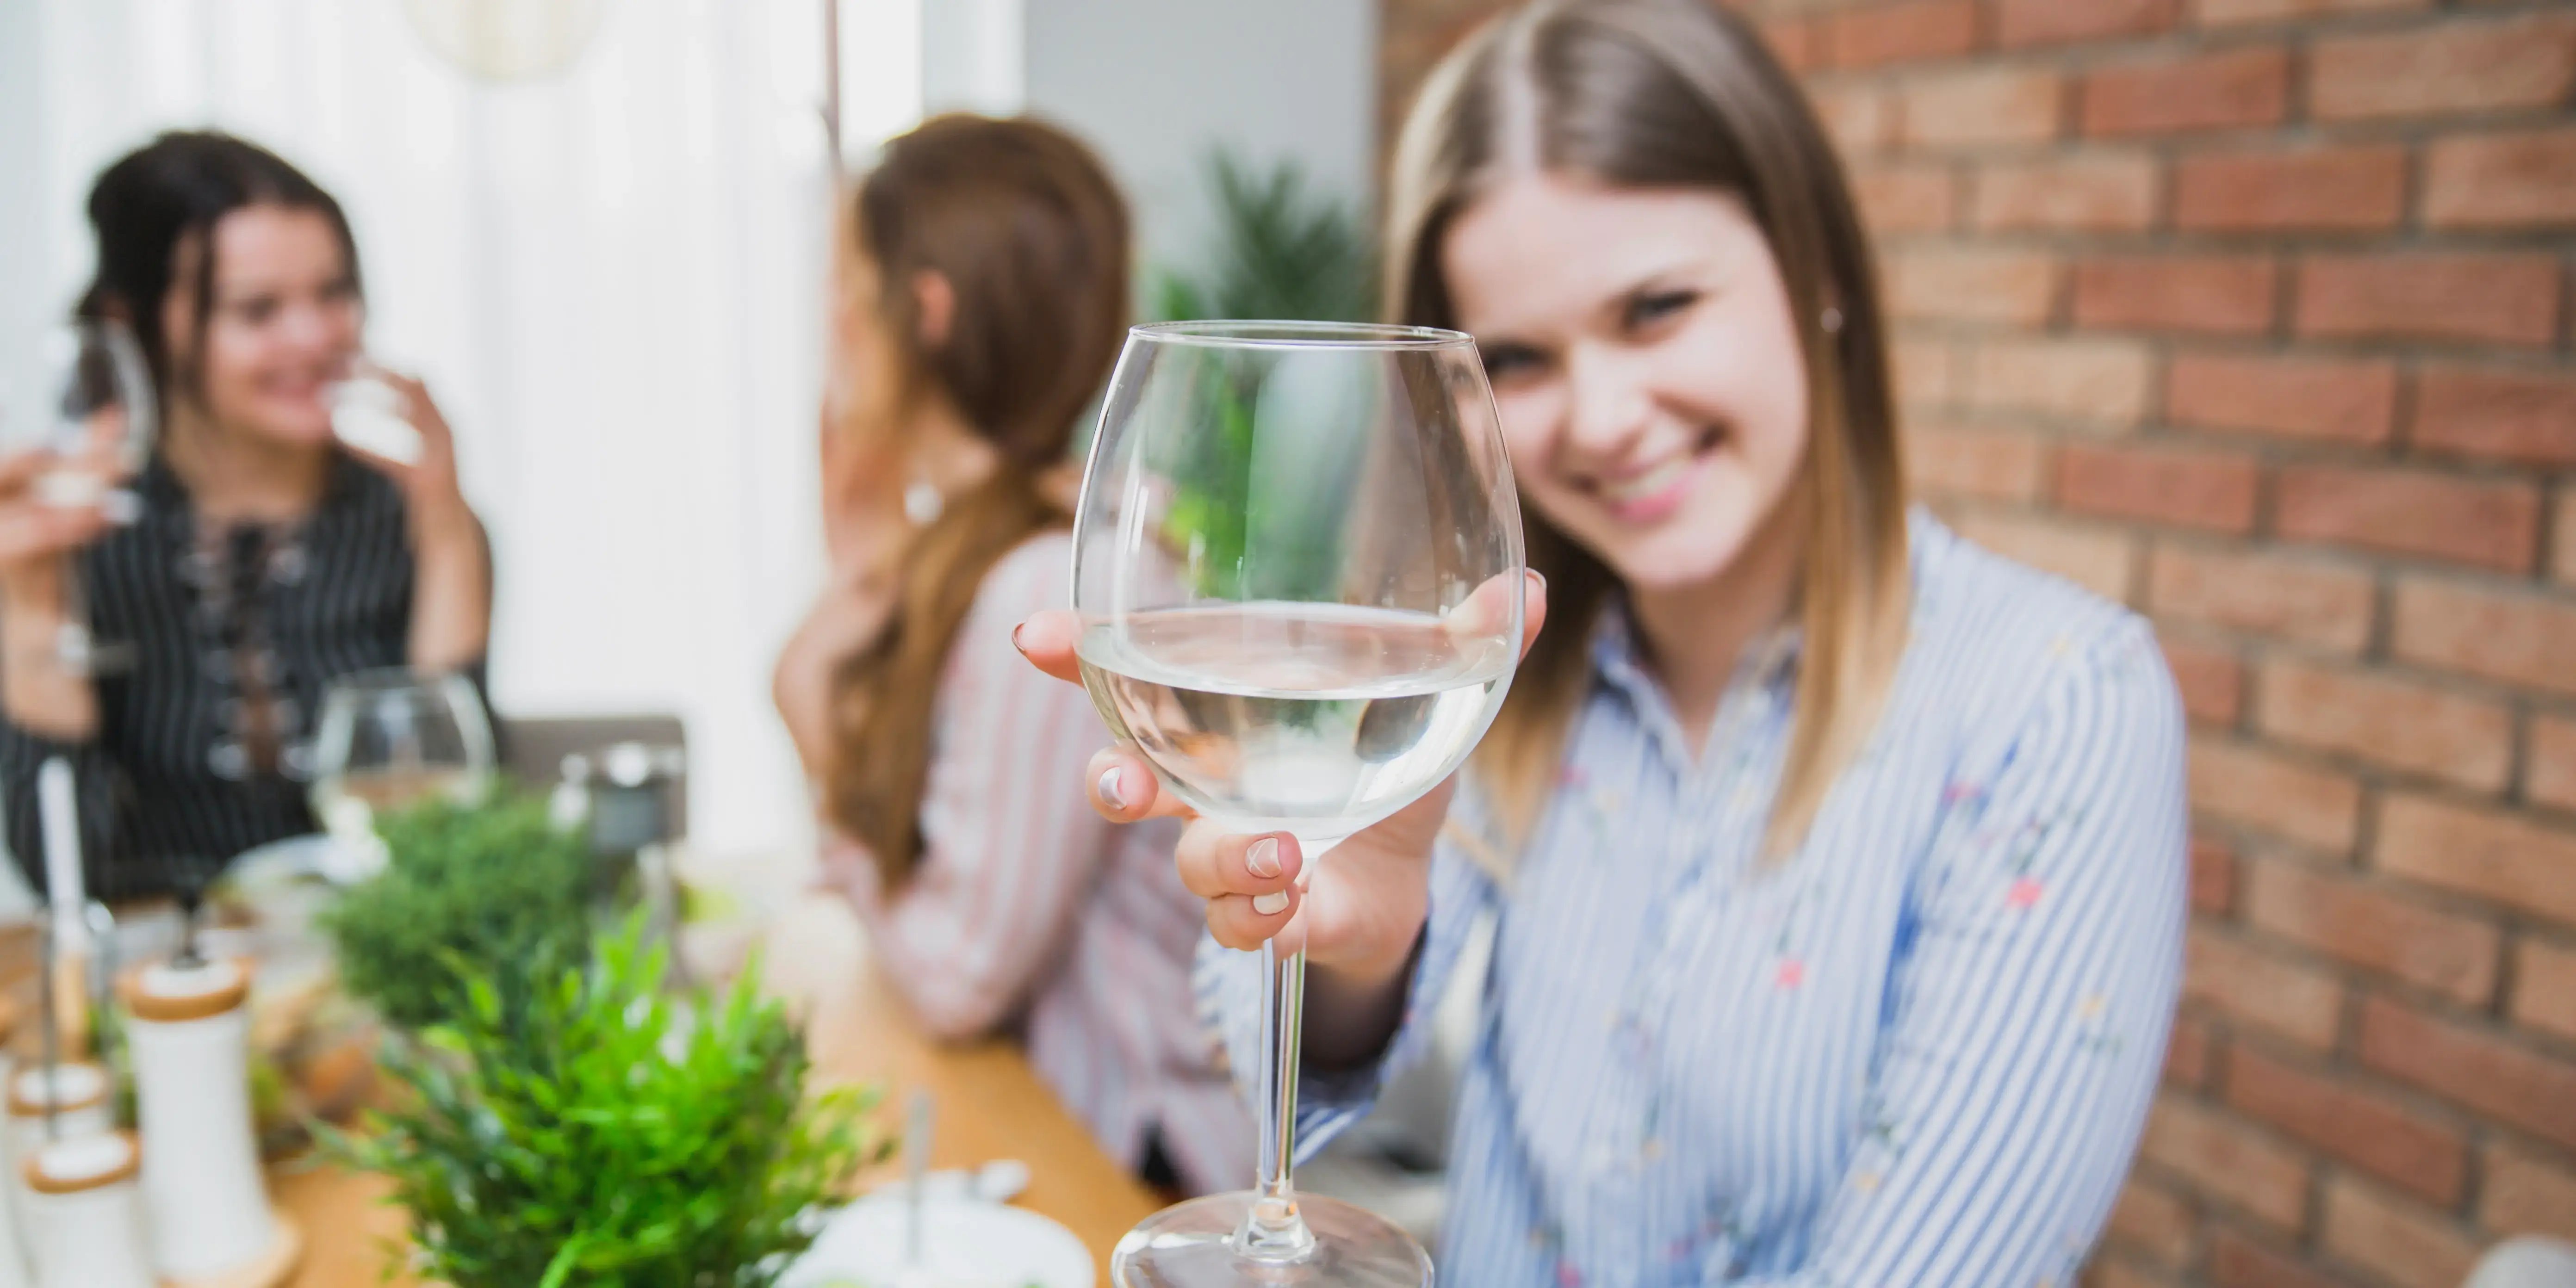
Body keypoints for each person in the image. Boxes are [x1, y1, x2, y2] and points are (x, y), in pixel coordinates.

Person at [1011, 0, 2189, 1281]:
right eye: (1519, 357)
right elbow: (1274, 1094)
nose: (1605, 419)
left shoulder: (2057, 700)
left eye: (1658, 309)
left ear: (1819, 271)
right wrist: (1359, 943)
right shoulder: (1500, 658)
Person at [772, 113, 1252, 1197]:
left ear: (924, 309)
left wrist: (812, 717)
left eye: (847, 286)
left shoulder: (1043, 585)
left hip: (1127, 1169)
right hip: (1034, 1127)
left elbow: (957, 978)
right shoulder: (991, 544)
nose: (832, 320)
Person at [0, 130, 490, 902]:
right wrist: (30, 614)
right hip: (169, 989)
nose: (316, 337)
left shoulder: (403, 516)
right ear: (133, 325)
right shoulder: (76, 540)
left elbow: (454, 844)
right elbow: (73, 879)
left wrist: (446, 530)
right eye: (257, 309)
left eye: (334, 293)